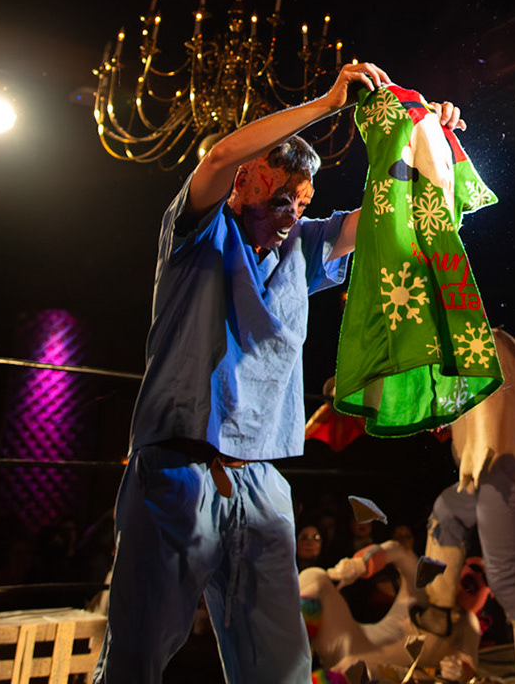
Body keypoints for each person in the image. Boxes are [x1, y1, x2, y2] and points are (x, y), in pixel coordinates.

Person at [95, 61, 464, 684]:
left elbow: (399, 215)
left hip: (263, 480)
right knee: (136, 660)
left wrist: (432, 139)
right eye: (279, 196)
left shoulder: (304, 245)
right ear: (243, 184)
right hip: (177, 470)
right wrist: (325, 104)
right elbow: (218, 157)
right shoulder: (197, 232)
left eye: (301, 200)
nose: (291, 211)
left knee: (280, 665)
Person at [422, 329, 515, 681]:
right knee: (447, 510)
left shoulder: (478, 341)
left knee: (506, 575)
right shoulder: (459, 347)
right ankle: (439, 611)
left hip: (509, 463)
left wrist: (473, 442)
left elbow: (489, 405)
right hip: (491, 467)